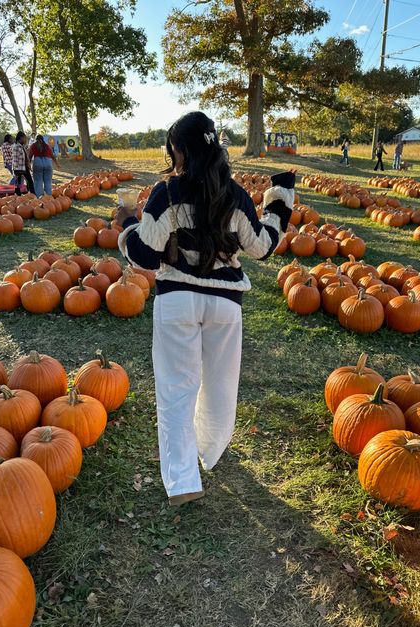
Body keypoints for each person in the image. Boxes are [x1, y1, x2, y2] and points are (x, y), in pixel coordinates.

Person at [116, 111, 294, 507]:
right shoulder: (236, 196)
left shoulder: (168, 193)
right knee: (220, 384)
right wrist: (280, 204)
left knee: (176, 389)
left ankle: (182, 481)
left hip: (176, 299)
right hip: (225, 304)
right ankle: (210, 451)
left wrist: (127, 224)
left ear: (179, 151)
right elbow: (263, 247)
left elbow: (144, 255)